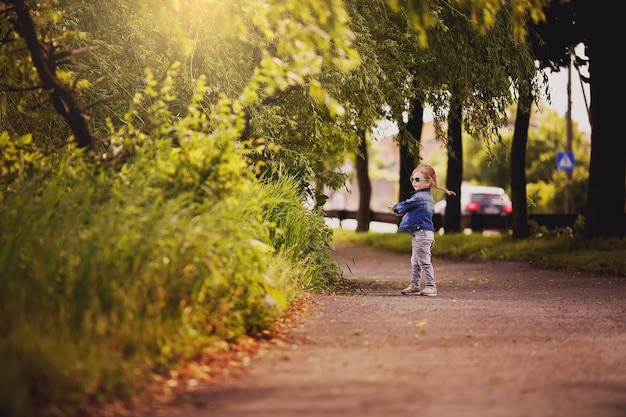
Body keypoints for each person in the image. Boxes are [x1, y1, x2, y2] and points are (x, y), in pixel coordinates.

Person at [388, 163, 456, 297]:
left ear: (428, 182)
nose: (414, 182)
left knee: (424, 261)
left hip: (423, 234)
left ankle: (431, 286)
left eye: (417, 179)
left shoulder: (420, 197)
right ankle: (415, 285)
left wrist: (396, 207)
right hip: (421, 234)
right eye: (412, 179)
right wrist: (404, 212)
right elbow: (417, 211)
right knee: (416, 261)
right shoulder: (425, 198)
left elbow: (407, 204)